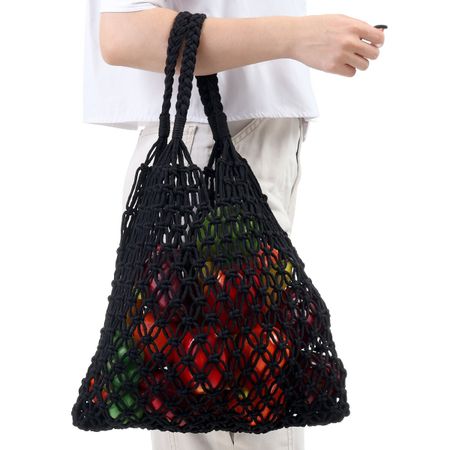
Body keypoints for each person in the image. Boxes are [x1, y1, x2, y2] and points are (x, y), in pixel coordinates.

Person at [83, 1, 385, 449]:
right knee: (239, 414)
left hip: (236, 146)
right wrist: (297, 37)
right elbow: (124, 34)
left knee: (234, 415)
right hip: (205, 164)